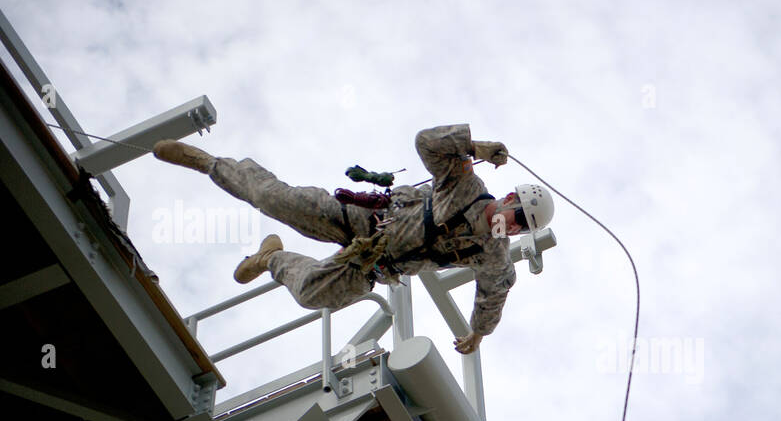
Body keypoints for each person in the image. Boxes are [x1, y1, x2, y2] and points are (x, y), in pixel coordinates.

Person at [152, 124, 554, 354]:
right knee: (273, 199)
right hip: (367, 220)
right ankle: (208, 162)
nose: (514, 227)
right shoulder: (466, 184)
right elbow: (427, 142)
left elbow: (494, 294)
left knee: (312, 293)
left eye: (524, 228)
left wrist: (478, 335)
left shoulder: (493, 255)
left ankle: (270, 259)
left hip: (375, 265)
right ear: (509, 199)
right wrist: (475, 145)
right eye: (518, 216)